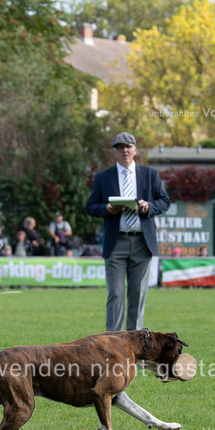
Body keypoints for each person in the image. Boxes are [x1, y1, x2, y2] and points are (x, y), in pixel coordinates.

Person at [86, 132, 170, 331]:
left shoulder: (150, 174)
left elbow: (164, 201)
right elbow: (91, 206)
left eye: (128, 146)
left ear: (135, 149)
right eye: (120, 147)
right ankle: (112, 345)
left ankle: (135, 347)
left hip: (142, 242)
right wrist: (106, 209)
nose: (125, 150)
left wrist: (148, 206)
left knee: (138, 295)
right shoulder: (103, 177)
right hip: (116, 243)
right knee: (115, 294)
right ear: (114, 152)